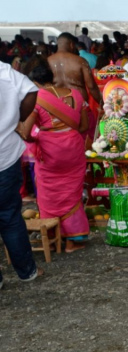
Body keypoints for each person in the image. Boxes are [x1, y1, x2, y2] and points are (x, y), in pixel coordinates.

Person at [17, 64, 90, 253]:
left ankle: (52, 233)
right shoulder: (75, 94)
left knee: (49, 192)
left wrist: (38, 136)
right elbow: (83, 127)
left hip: (50, 149)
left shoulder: (37, 98)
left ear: (35, 82)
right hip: (73, 147)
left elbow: (25, 133)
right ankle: (73, 240)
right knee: (72, 192)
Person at [0, 60, 41, 289]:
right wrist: (16, 118)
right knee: (9, 216)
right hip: (4, 154)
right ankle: (27, 272)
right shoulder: (3, 71)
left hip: (6, 155)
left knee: (9, 215)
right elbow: (30, 90)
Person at [47, 33, 102, 106]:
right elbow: (91, 87)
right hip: (79, 107)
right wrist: (102, 104)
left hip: (56, 107)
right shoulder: (81, 61)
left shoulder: (47, 62)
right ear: (71, 44)